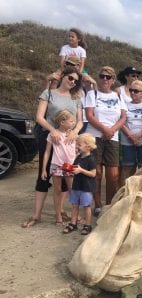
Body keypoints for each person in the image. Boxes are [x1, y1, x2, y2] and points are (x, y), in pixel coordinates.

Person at [22, 67, 83, 228]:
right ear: (62, 76)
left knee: (65, 175)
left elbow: (80, 121)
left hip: (68, 140)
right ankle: (36, 215)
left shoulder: (76, 97)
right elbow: (39, 117)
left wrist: (75, 132)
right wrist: (53, 130)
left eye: (76, 81)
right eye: (70, 78)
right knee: (44, 174)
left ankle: (60, 211)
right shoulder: (48, 93)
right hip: (50, 137)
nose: (72, 82)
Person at [85, 66, 127, 216]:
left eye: (108, 77)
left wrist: (112, 130)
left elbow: (123, 117)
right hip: (95, 136)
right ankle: (97, 204)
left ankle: (109, 205)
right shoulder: (92, 94)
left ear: (113, 80)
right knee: (96, 173)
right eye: (102, 76)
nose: (105, 79)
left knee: (113, 175)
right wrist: (104, 129)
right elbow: (89, 115)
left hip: (112, 137)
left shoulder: (118, 96)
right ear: (99, 78)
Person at [40, 110, 77, 226]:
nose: (73, 123)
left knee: (72, 191)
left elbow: (79, 149)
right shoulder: (53, 134)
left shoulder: (74, 134)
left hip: (70, 165)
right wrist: (43, 169)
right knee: (57, 190)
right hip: (56, 165)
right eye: (71, 121)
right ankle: (58, 216)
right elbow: (47, 152)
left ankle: (75, 216)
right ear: (62, 122)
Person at [63, 133, 97, 235]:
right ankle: (73, 224)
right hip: (76, 186)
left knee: (86, 206)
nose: (77, 147)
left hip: (86, 187)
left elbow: (93, 174)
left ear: (88, 146)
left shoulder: (91, 159)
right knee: (75, 205)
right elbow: (75, 168)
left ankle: (87, 225)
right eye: (77, 145)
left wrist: (81, 170)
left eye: (79, 145)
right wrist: (69, 169)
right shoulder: (78, 157)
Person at [120, 80, 142, 181]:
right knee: (127, 168)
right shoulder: (124, 105)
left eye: (136, 91)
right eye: (131, 90)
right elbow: (122, 122)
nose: (133, 93)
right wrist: (131, 136)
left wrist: (138, 135)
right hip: (127, 141)